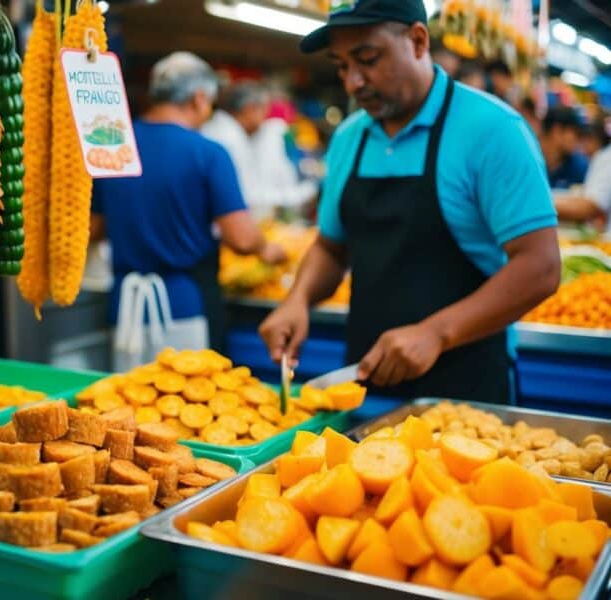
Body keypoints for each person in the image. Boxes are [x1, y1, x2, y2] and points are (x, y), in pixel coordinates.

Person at [259, 0, 560, 403]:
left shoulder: (491, 130)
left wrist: (436, 332)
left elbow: (539, 266)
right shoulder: (350, 138)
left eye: (367, 59)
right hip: (366, 383)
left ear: (418, 40)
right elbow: (332, 247)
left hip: (466, 393)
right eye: (342, 65)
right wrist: (298, 299)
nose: (352, 82)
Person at [91, 52, 286, 361]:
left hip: (123, 307)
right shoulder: (207, 153)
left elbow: (94, 229)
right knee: (184, 402)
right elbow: (242, 237)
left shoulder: (112, 145)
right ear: (198, 99)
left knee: (124, 403)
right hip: (183, 310)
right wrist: (269, 250)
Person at [202, 82, 316, 220]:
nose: (264, 118)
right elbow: (248, 197)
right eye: (263, 110)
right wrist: (302, 193)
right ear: (249, 109)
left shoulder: (220, 130)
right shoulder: (231, 139)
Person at [555, 116, 611, 228]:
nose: (582, 147)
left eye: (586, 140)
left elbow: (590, 206)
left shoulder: (605, 158)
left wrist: (540, 204)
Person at [541, 106, 589, 190]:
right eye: (576, 133)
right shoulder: (532, 159)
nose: (578, 139)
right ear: (557, 131)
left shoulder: (579, 166)